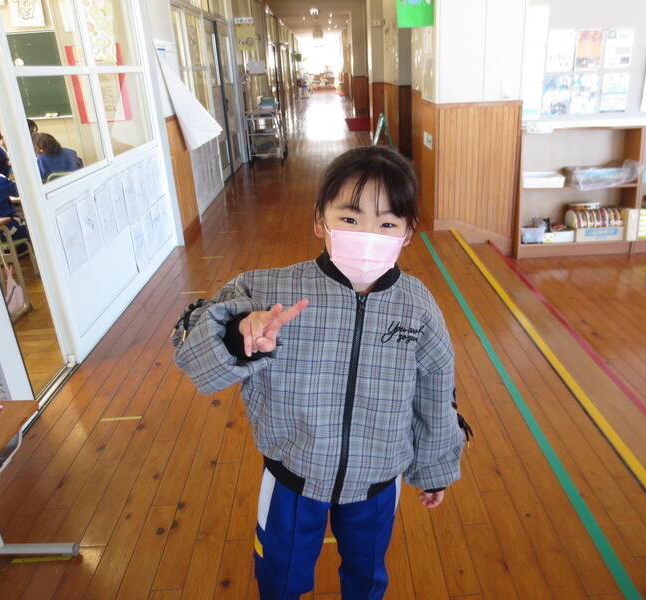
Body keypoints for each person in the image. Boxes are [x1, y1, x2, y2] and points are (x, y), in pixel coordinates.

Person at [171, 146, 470, 600]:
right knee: (280, 576)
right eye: (350, 218)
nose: (367, 235)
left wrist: (434, 468)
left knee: (367, 575)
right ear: (320, 221)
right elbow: (190, 342)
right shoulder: (268, 289)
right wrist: (238, 334)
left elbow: (436, 390)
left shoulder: (417, 306)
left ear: (408, 234)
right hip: (292, 474)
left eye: (387, 224)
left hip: (377, 480)